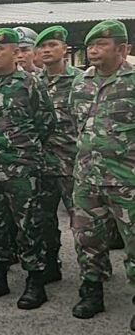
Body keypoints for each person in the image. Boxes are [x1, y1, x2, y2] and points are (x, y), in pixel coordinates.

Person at [0, 28, 56, 310]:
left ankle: (35, 281)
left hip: (23, 167)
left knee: (29, 223)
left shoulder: (30, 83)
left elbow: (45, 121)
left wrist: (21, 147)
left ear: (15, 53)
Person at [69, 20, 135, 330]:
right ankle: (91, 292)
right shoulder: (80, 83)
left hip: (128, 182)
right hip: (87, 179)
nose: (93, 50)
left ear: (122, 49)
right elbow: (75, 126)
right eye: (90, 45)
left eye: (102, 44)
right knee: (87, 239)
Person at [34, 26, 80, 284]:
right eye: (43, 46)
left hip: (73, 162)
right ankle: (51, 263)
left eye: (53, 44)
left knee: (84, 222)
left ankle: (95, 268)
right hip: (43, 163)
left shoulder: (80, 80)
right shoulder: (33, 82)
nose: (47, 50)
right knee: (43, 219)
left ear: (64, 49)